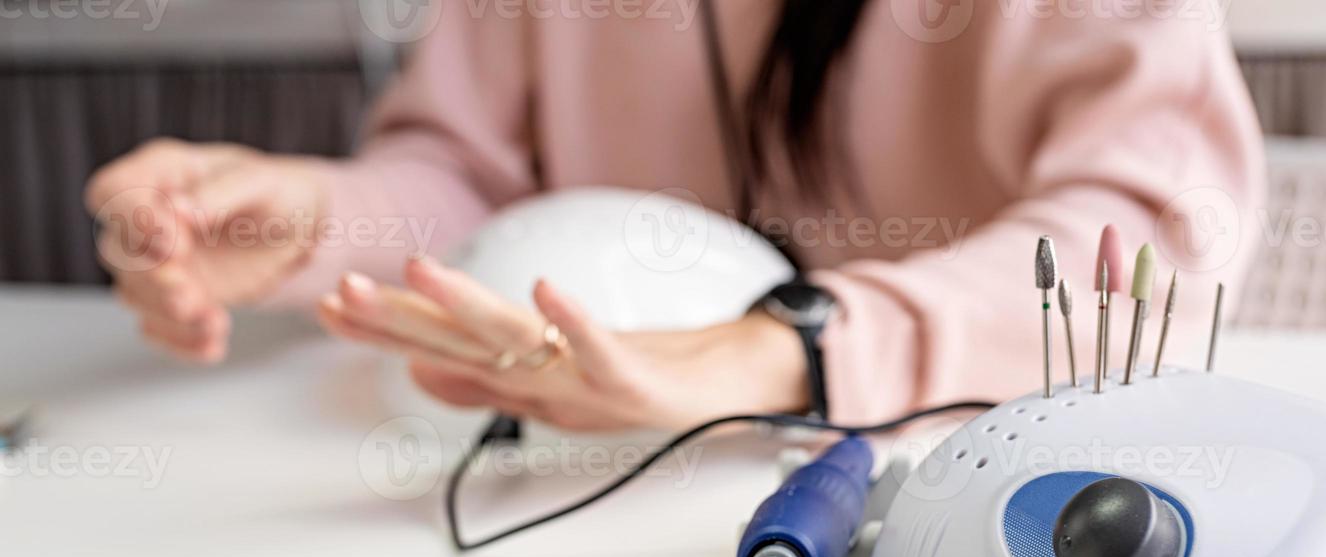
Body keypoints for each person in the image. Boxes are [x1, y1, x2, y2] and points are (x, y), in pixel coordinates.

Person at [86, 0, 1264, 429]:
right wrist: (321, 220)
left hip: (961, 491)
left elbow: (1157, 239)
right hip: (586, 485)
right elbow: (475, 184)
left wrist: (784, 346)